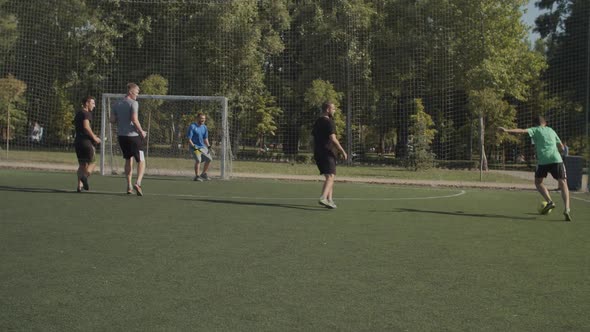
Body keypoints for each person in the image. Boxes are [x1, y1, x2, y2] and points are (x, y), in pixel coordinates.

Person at [499, 116, 572, 221]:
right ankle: (567, 209)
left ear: (535, 124)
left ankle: (550, 201)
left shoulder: (535, 130)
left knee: (538, 183)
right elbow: (562, 147)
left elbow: (522, 131)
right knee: (563, 182)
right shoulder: (551, 130)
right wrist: (558, 151)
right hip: (556, 159)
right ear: (545, 123)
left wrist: (506, 130)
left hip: (543, 161)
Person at [110, 83, 147, 196]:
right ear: (131, 92)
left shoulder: (116, 103)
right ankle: (138, 183)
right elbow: (134, 119)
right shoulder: (134, 103)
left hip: (122, 137)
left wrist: (121, 119)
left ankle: (129, 185)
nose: (137, 94)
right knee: (141, 160)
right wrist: (141, 132)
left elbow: (111, 120)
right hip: (133, 137)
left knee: (128, 159)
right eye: (136, 92)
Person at [311, 101, 347, 209]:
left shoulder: (317, 121)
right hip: (327, 152)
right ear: (327, 109)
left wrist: (315, 150)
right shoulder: (329, 122)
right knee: (331, 176)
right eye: (333, 109)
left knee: (329, 176)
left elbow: (311, 139)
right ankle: (323, 198)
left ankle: (329, 200)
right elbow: (333, 139)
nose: (334, 111)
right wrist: (342, 151)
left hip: (319, 152)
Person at [73, 96, 101, 192]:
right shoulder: (86, 114)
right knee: (93, 163)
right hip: (86, 143)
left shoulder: (78, 114)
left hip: (78, 142)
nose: (94, 105)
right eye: (92, 103)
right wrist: (94, 137)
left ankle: (79, 186)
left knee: (82, 165)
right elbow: (86, 127)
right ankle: (84, 177)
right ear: (86, 103)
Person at [186, 112, 212, 181]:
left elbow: (205, 138)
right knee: (198, 160)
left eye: (204, 119)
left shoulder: (205, 127)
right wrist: (194, 146)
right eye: (201, 118)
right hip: (195, 147)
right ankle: (197, 176)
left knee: (209, 159)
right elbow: (189, 139)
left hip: (202, 146)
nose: (203, 120)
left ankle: (203, 174)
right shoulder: (192, 126)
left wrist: (208, 146)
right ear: (197, 118)